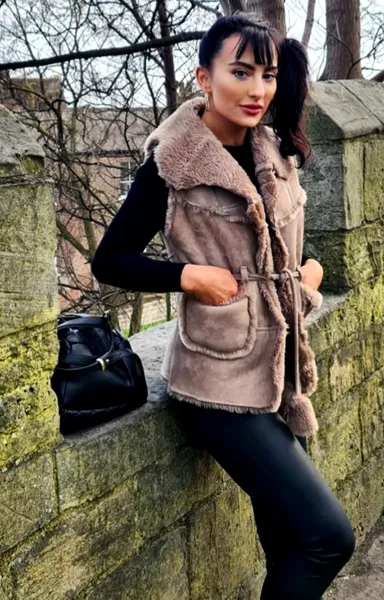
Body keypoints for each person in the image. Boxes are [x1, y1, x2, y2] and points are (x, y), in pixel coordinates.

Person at [91, 13, 355, 599]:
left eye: (268, 74)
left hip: (279, 376)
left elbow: (285, 253)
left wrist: (308, 274)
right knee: (328, 538)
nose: (257, 89)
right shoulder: (173, 163)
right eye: (240, 72)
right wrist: (187, 276)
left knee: (288, 542)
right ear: (204, 78)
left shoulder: (274, 151)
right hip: (217, 382)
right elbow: (109, 260)